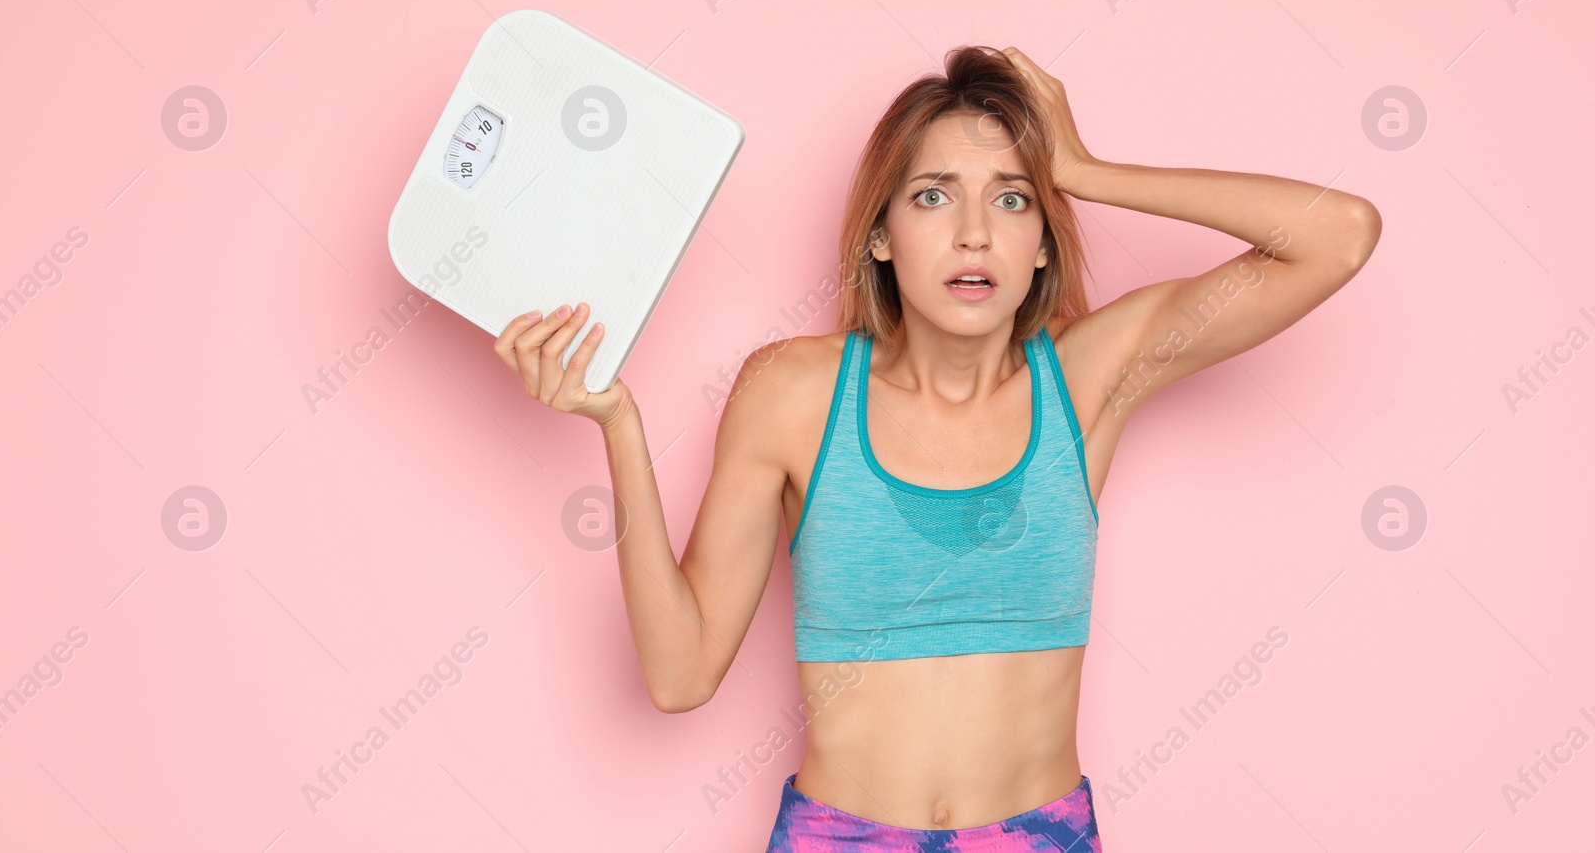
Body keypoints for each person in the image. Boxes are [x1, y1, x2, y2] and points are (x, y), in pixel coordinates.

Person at [493, 45, 1382, 850]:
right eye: (932, 194)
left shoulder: (1086, 377)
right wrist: (618, 423)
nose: (973, 231)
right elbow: (681, 673)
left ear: (1041, 245)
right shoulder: (793, 393)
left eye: (1011, 197)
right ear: (881, 236)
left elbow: (1338, 236)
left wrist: (1082, 167)